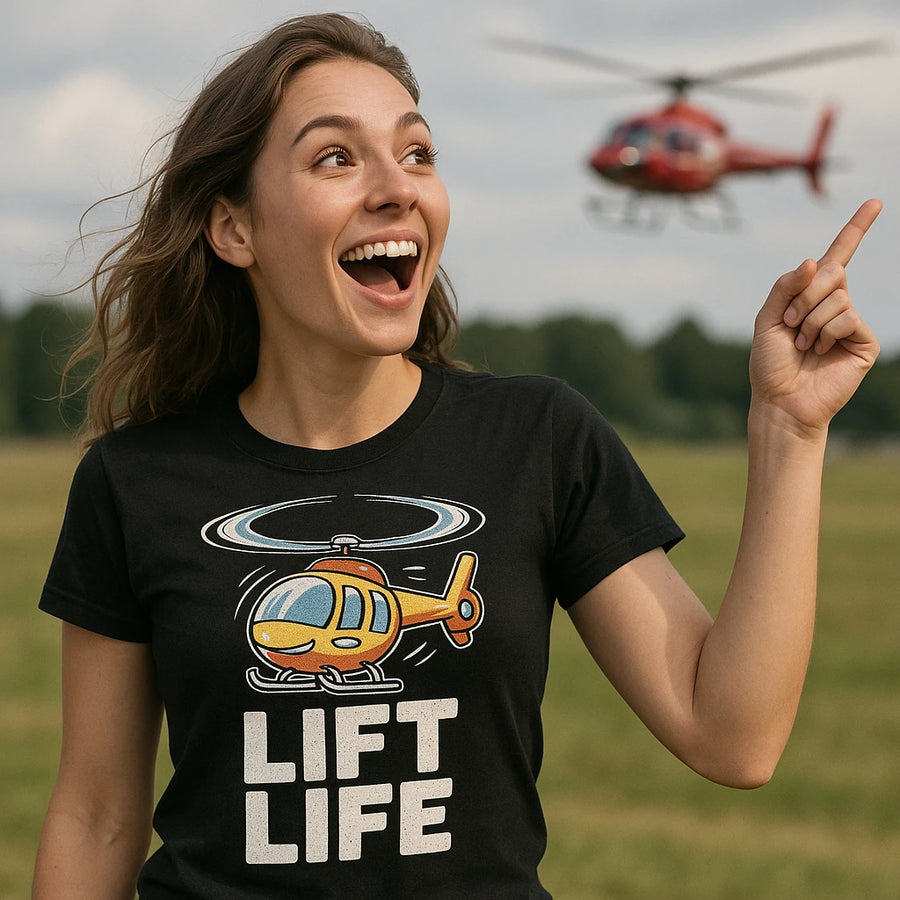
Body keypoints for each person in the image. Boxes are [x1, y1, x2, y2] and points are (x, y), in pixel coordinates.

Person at [31, 13, 882, 900]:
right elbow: (96, 815)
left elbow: (734, 737)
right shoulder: (135, 482)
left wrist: (790, 431)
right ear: (232, 228)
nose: (397, 188)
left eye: (418, 154)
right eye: (335, 158)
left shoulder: (538, 439)